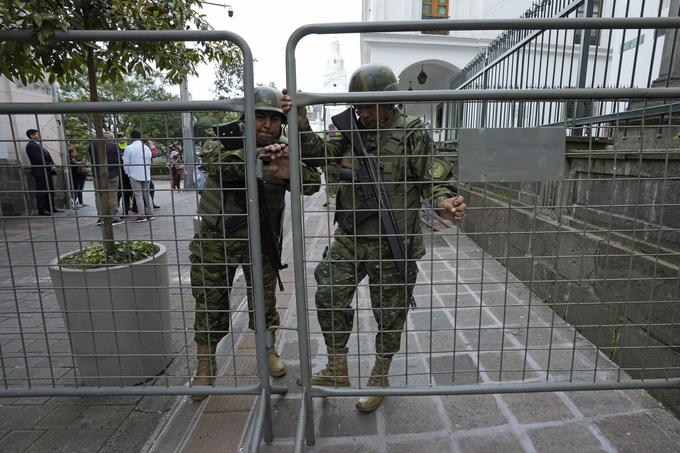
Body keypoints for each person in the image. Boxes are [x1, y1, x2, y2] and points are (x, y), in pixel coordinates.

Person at [270, 63, 467, 413]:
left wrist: (443, 201)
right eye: (361, 106)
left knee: (389, 313)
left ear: (389, 101)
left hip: (394, 244)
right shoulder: (347, 130)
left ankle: (380, 375)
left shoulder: (411, 133)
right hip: (351, 235)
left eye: (373, 105)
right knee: (328, 290)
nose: (366, 112)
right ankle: (337, 369)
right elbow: (318, 153)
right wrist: (300, 125)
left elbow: (432, 176)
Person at [189, 86, 321, 401]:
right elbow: (219, 164)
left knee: (263, 302)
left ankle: (269, 351)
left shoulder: (285, 149)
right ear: (247, 118)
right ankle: (205, 366)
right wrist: (257, 157)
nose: (266, 125)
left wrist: (288, 171)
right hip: (215, 239)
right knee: (209, 301)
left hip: (261, 240)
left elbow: (313, 183)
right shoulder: (222, 140)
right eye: (259, 117)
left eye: (274, 119)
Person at [25, 129, 62, 216]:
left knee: (50, 189)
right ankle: (42, 209)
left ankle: (51, 207)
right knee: (42, 190)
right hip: (40, 171)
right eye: (38, 134)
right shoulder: (31, 145)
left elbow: (47, 157)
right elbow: (38, 159)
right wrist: (50, 165)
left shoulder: (40, 145)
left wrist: (52, 164)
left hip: (47, 170)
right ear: (32, 135)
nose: (39, 135)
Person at [90, 131, 124, 225]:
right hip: (112, 174)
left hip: (97, 175)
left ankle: (101, 217)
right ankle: (113, 217)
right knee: (112, 195)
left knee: (99, 195)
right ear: (111, 138)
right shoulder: (113, 146)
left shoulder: (93, 145)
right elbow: (120, 161)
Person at [122, 130, 154, 222]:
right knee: (147, 194)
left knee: (138, 195)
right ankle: (151, 213)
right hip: (146, 174)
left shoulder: (129, 148)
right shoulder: (147, 148)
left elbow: (126, 163)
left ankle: (141, 215)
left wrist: (128, 173)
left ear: (132, 137)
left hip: (134, 174)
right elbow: (149, 161)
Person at [116, 132, 134, 216]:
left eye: (122, 136)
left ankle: (132, 207)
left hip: (130, 171)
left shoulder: (130, 145)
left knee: (131, 191)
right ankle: (122, 209)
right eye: (118, 137)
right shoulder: (115, 146)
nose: (120, 138)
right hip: (120, 172)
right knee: (121, 192)